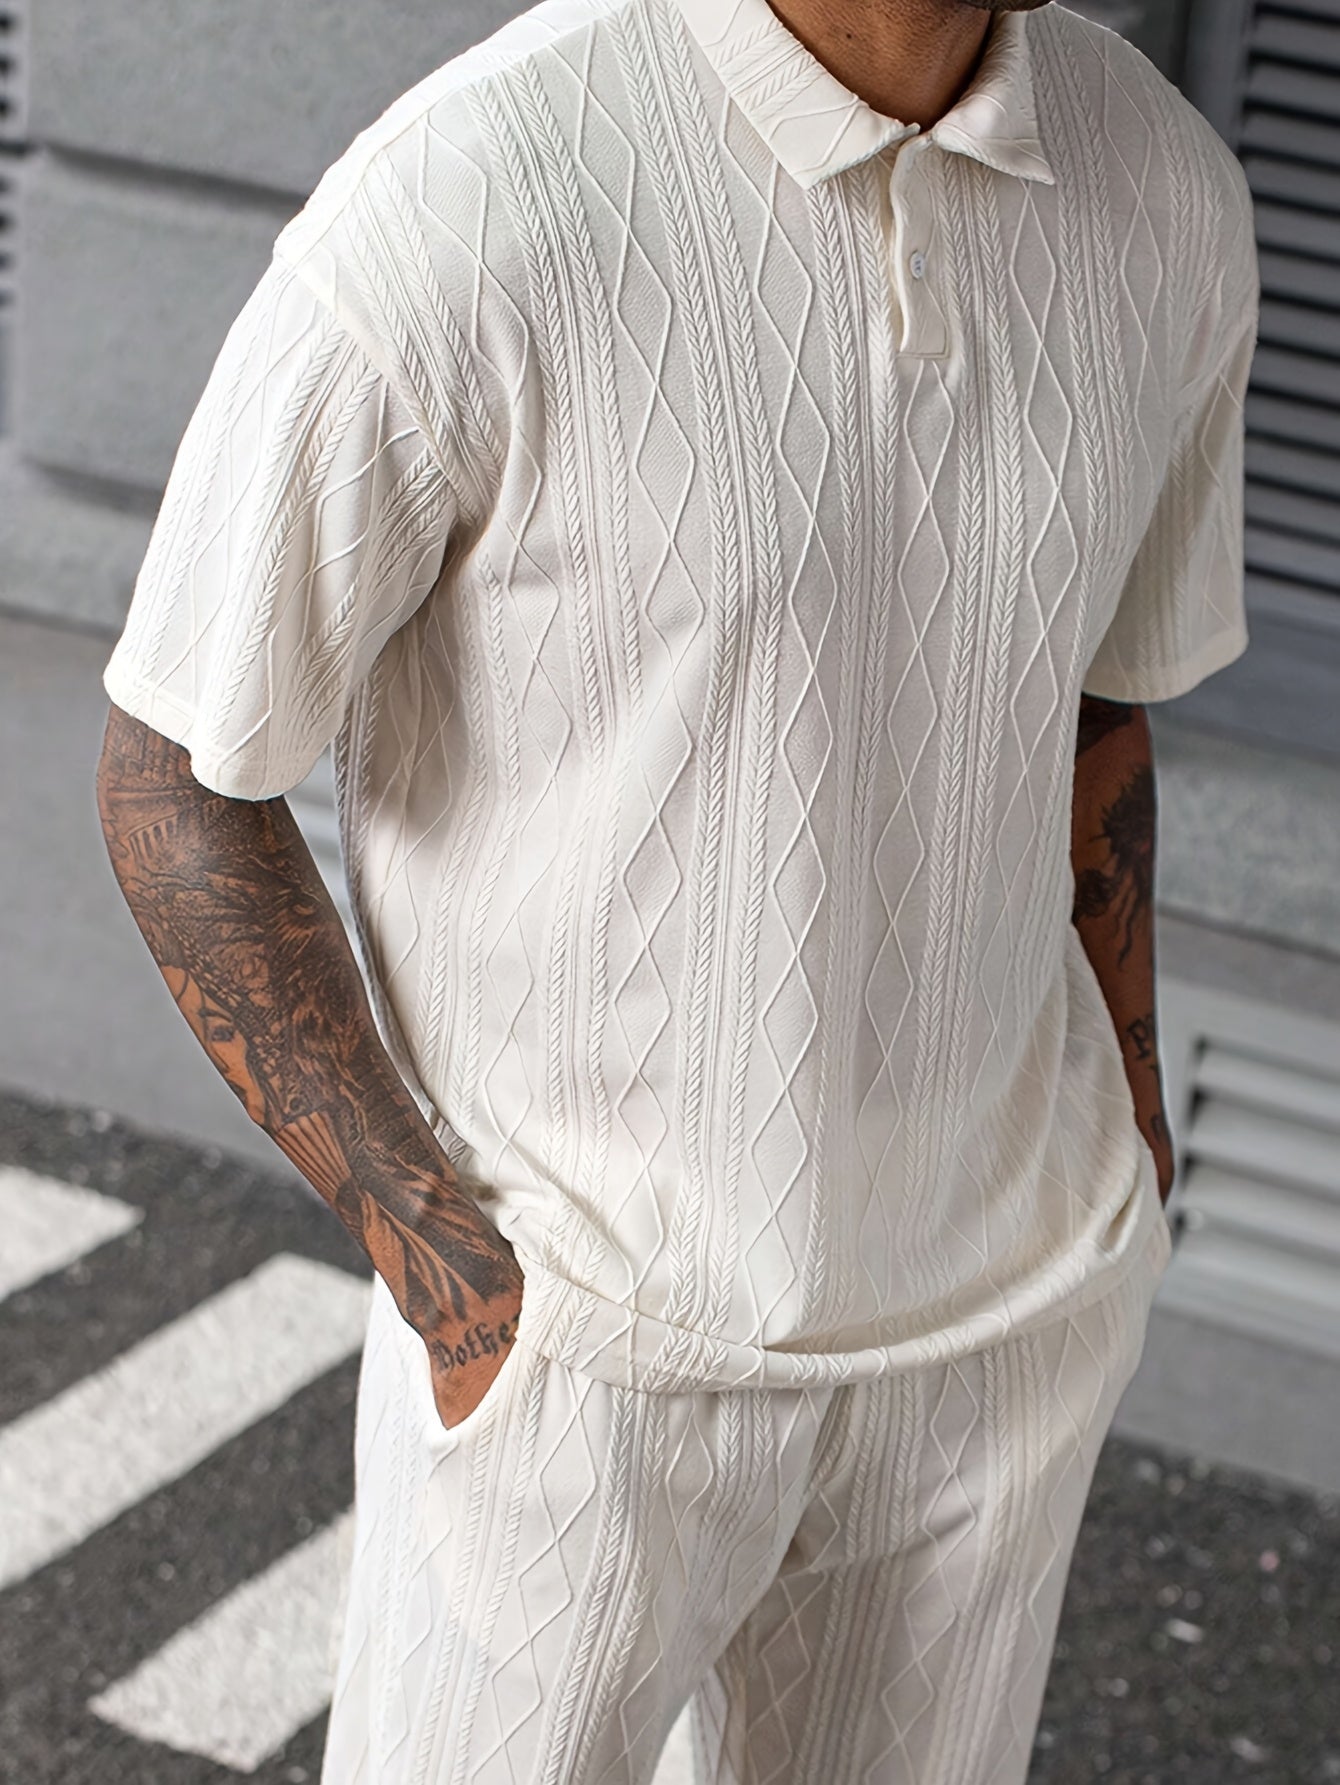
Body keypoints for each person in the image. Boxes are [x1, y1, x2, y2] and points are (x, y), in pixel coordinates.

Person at [94, 0, 1260, 1777]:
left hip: (1004, 1327)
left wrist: (1134, 1131)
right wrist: (462, 1288)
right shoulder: (468, 196)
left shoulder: (1166, 185)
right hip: (591, 1345)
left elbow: (1096, 694)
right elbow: (177, 770)